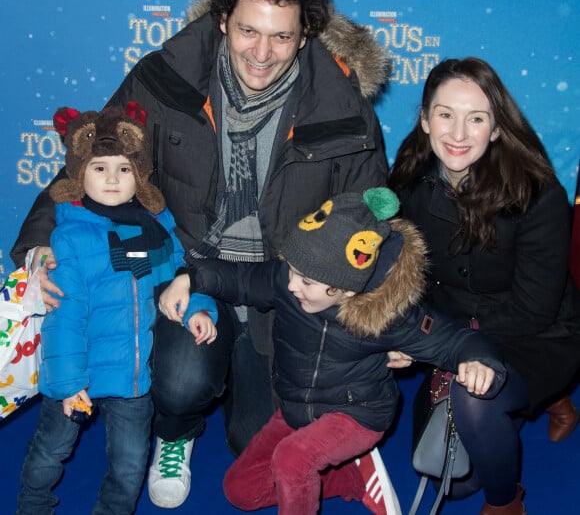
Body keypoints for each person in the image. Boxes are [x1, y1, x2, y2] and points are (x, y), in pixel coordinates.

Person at [10, 0, 390, 509]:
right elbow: (95, 161)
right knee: (181, 385)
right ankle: (176, 434)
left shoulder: (342, 108)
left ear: (306, 34)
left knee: (250, 442)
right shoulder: (166, 79)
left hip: (277, 285)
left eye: (281, 37)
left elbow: (371, 219)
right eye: (247, 31)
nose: (261, 53)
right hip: (184, 273)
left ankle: (331, 434)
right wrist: (39, 243)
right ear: (221, 20)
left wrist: (384, 313)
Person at [159, 187, 507, 515]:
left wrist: (480, 361)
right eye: (291, 271)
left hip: (357, 413)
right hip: (297, 407)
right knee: (241, 490)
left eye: (306, 282)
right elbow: (242, 279)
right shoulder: (290, 280)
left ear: (347, 290)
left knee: (292, 461)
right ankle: (352, 477)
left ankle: (336, 462)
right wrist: (192, 279)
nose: (291, 284)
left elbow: (456, 340)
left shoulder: (390, 317)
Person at [388, 57, 580, 515]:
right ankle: (546, 402)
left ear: (496, 128)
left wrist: (434, 343)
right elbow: (398, 271)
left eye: (476, 118)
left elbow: (534, 310)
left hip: (537, 334)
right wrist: (399, 333)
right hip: (450, 328)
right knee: (451, 483)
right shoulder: (408, 181)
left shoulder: (538, 194)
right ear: (424, 119)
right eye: (445, 114)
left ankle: (506, 501)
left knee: (474, 404)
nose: (457, 133)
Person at [16, 104, 218, 515]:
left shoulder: (151, 228)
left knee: (129, 468)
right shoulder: (69, 238)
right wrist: (69, 383)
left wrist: (198, 307)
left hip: (131, 378)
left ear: (139, 176)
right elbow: (64, 320)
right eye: (99, 168)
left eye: (124, 169)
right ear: (79, 174)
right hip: (77, 377)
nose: (112, 178)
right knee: (49, 453)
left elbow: (172, 277)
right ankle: (32, 507)